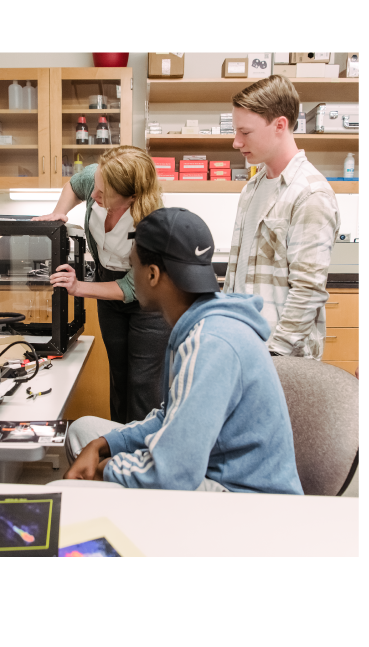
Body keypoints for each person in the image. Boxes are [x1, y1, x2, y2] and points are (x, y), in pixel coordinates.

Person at [63, 207, 303, 494]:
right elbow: (170, 418)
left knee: (92, 479)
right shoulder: (200, 323)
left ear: (152, 274)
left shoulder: (210, 343)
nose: (131, 275)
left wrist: (105, 470)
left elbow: (172, 472)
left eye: (132, 266)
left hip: (245, 496)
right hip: (212, 467)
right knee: (83, 431)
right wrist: (105, 444)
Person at [33, 146, 170, 425]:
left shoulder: (152, 221)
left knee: (144, 383)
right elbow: (75, 184)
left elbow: (131, 288)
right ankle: (116, 449)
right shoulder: (99, 178)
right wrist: (59, 213)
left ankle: (144, 457)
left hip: (149, 301)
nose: (93, 196)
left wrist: (79, 287)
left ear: (132, 196)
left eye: (103, 194)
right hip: (108, 286)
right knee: (119, 377)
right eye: (95, 188)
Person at [224, 74, 340, 360]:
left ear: (280, 125)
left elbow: (308, 290)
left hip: (281, 359)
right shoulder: (253, 187)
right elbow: (237, 276)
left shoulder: (310, 194)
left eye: (245, 132)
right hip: (244, 346)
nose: (236, 142)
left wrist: (275, 355)